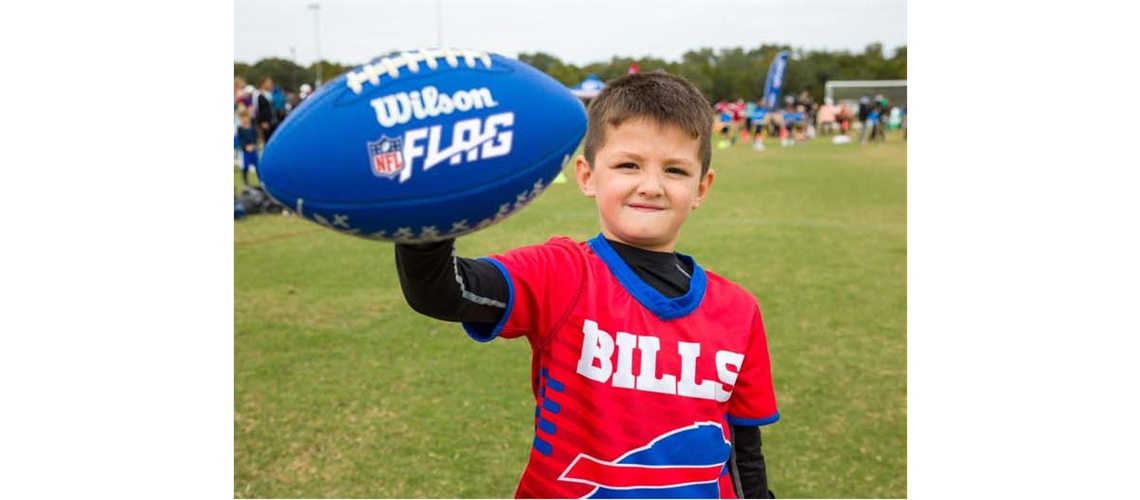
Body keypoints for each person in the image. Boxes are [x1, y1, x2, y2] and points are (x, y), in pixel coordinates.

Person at [395, 73, 779, 499]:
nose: (650, 186)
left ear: (700, 187)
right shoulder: (561, 273)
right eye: (628, 165)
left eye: (674, 170)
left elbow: (744, 453)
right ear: (587, 175)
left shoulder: (738, 310)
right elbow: (442, 291)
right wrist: (425, 210)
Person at [236, 110, 259, 186]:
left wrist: (253, 145)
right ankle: (245, 181)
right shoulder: (240, 129)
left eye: (245, 118)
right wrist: (245, 146)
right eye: (242, 118)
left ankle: (260, 180)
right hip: (245, 151)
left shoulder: (252, 128)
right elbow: (240, 139)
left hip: (253, 150)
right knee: (245, 167)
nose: (244, 120)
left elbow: (255, 138)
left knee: (257, 166)